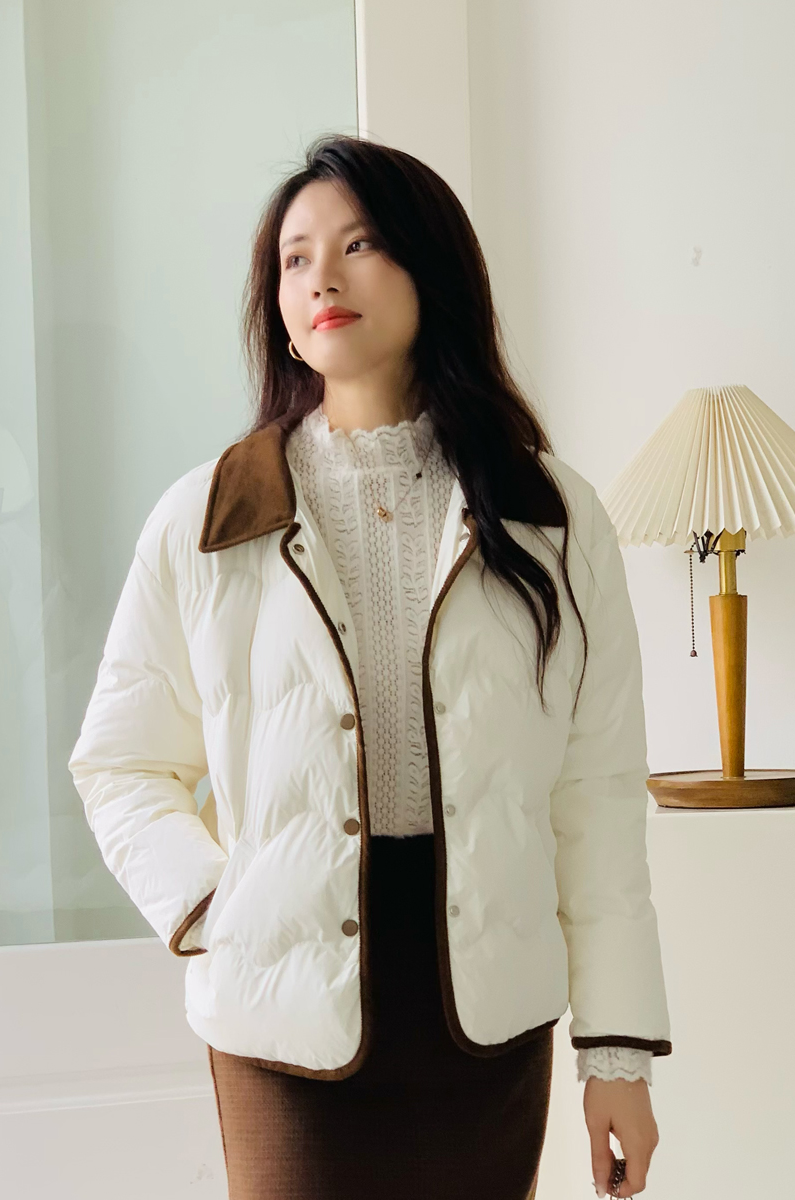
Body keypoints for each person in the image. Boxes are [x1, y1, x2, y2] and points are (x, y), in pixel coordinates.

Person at [68, 134, 671, 1200]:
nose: (323, 279)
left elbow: (596, 796)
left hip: (485, 1010)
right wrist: (213, 907)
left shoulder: (551, 514)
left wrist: (616, 1053)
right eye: (295, 259)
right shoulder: (207, 517)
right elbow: (119, 764)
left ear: (433, 268)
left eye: (359, 245)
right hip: (281, 1019)